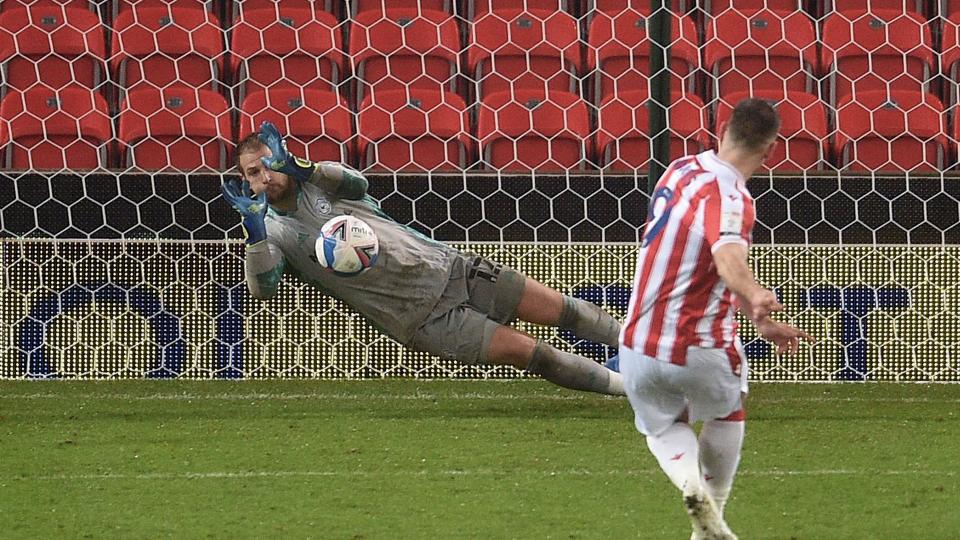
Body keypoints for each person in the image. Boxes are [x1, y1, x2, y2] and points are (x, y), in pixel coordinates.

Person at [221, 121, 624, 396]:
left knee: (564, 309)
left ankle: (650, 351)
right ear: (245, 181)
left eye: (270, 165)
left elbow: (358, 183)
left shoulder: (320, 183)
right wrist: (254, 235)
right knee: (534, 354)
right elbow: (263, 290)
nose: (266, 177)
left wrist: (303, 168)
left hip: (452, 267)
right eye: (254, 173)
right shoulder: (270, 232)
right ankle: (631, 390)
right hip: (422, 318)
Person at [616, 99, 813, 539]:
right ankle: (713, 514)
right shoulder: (731, 197)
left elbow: (701, 254)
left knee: (662, 428)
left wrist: (757, 319)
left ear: (722, 128)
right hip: (699, 345)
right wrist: (756, 294)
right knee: (728, 411)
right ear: (771, 149)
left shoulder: (680, 170)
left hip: (637, 343)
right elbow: (726, 258)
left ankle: (690, 486)